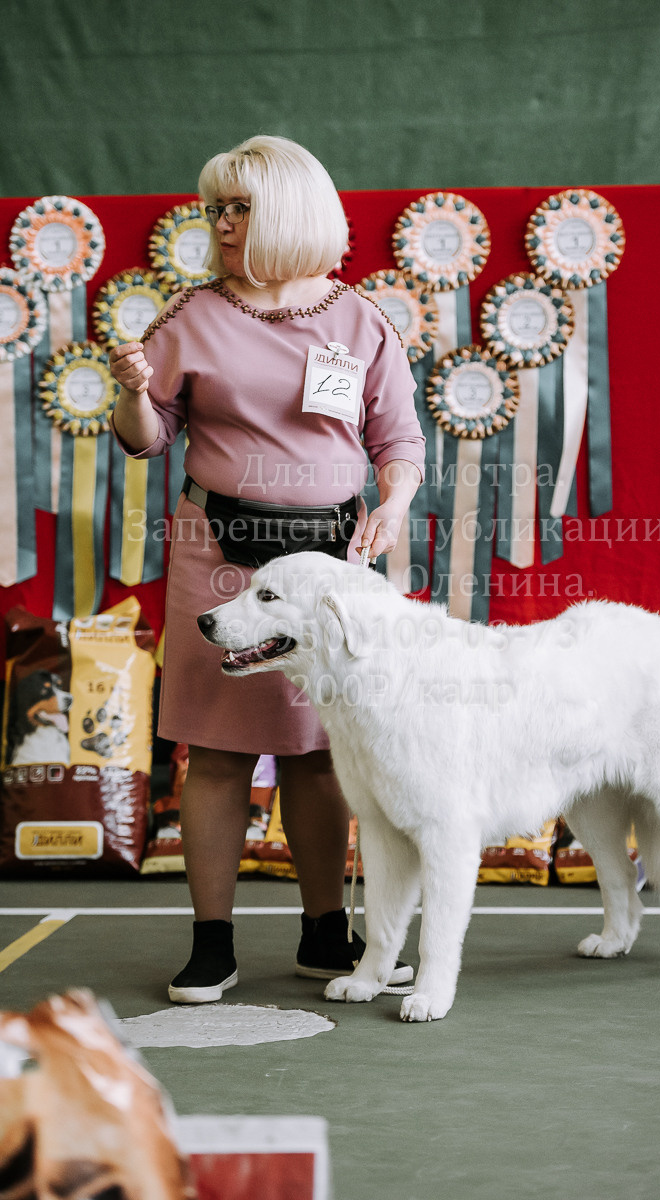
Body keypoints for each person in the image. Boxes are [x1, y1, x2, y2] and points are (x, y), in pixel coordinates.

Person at [109, 134, 425, 1003]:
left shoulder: (363, 321)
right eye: (214, 207)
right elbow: (146, 441)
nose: (218, 222)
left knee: (316, 753)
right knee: (213, 753)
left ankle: (326, 932)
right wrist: (133, 390)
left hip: (327, 564)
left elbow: (398, 442)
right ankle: (213, 942)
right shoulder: (191, 315)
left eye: (237, 207)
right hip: (218, 557)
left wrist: (393, 501)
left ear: (287, 213)